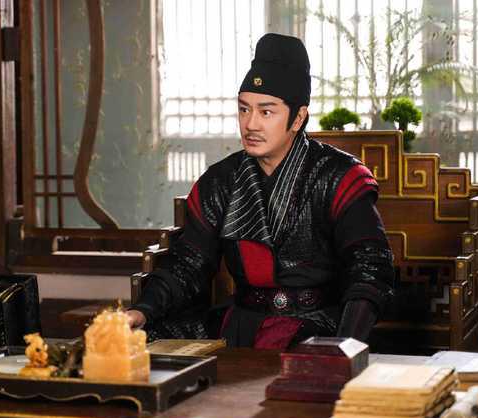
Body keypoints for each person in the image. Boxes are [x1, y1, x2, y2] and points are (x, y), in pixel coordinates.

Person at [127, 33, 395, 349]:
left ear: (298, 118)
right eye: (244, 110)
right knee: (141, 343)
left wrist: (343, 347)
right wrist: (142, 311)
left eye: (266, 112)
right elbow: (189, 264)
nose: (250, 124)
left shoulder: (338, 177)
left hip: (317, 325)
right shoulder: (220, 181)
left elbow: (370, 270)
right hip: (240, 322)